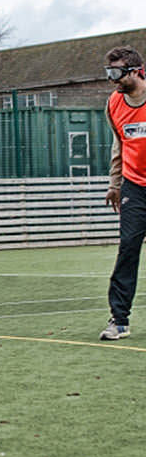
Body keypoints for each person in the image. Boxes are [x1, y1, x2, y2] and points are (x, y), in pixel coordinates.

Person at [101, 45, 146, 340]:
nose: (112, 80)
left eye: (116, 73)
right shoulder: (114, 104)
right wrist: (114, 183)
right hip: (134, 185)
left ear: (135, 70)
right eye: (108, 73)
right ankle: (119, 319)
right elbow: (119, 146)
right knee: (128, 247)